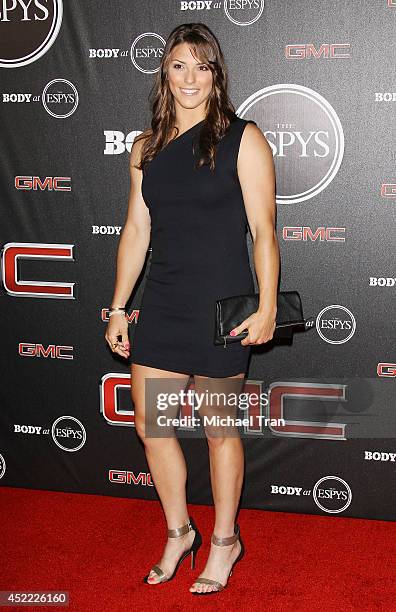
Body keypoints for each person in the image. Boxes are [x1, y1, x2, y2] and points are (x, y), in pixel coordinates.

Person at [105, 22, 279, 595]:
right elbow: (136, 230)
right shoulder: (145, 147)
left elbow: (264, 232)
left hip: (221, 312)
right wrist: (117, 306)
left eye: (202, 66)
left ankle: (225, 541)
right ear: (165, 71)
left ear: (216, 74)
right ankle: (180, 530)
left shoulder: (242, 137)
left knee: (218, 431)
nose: (190, 78)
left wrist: (269, 304)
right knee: (153, 427)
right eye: (179, 64)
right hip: (165, 303)